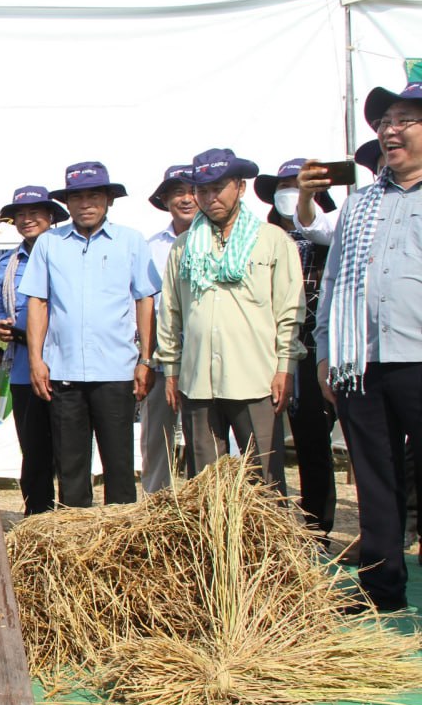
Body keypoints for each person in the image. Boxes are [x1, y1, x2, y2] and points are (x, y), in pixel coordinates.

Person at [316, 81, 422, 614]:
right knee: (375, 477)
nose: (390, 129)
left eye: (405, 120)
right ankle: (383, 588)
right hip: (362, 362)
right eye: (385, 121)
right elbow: (333, 284)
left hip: (419, 357)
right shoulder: (359, 205)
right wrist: (325, 351)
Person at [158, 148, 304, 488]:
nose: (210, 198)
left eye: (218, 188)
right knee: (204, 481)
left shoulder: (271, 240)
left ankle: (265, 542)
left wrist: (286, 366)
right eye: (202, 190)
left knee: (264, 478)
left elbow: (288, 310)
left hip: (254, 375)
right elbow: (172, 313)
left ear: (240, 187)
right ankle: (212, 542)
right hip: (197, 379)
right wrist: (171, 369)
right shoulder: (183, 247)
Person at [21, 161, 159, 508]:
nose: (86, 204)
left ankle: (124, 549)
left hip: (115, 371)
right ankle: (76, 551)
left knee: (120, 468)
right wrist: (36, 360)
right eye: (77, 197)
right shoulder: (49, 243)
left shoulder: (131, 241)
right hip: (64, 372)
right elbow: (38, 301)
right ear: (67, 203)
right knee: (71, 471)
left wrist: (146, 358)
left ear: (109, 200)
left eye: (94, 195)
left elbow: (145, 298)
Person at [255, 158, 340, 537]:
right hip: (264, 349)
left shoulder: (330, 238)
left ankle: (317, 528)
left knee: (313, 441)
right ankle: (267, 528)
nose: (290, 190)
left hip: (311, 349)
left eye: (298, 184)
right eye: (284, 184)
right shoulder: (261, 237)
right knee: (261, 443)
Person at [0, 185, 67, 513]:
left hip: (64, 366)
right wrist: (6, 328)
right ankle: (36, 516)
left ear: (50, 216)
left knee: (68, 449)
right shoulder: (7, 263)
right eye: (20, 215)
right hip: (24, 370)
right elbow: (1, 308)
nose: (27, 219)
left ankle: (71, 515)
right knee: (33, 450)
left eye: (34, 213)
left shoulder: (68, 254)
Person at [140, 165, 196, 494]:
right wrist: (146, 359)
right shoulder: (151, 247)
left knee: (206, 443)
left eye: (192, 191)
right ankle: (155, 510)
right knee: (157, 440)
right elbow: (143, 304)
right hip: (162, 360)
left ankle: (207, 514)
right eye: (177, 192)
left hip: (204, 360)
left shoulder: (217, 242)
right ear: (165, 199)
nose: (186, 199)